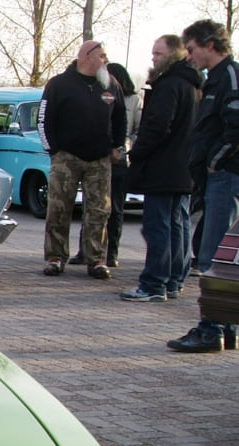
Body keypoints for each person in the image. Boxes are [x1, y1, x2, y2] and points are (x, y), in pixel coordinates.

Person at [167, 19, 239, 352]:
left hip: (226, 175)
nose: (190, 56)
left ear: (210, 44)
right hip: (218, 175)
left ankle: (211, 329)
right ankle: (226, 326)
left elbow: (235, 126)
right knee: (221, 256)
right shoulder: (215, 80)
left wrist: (216, 160)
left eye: (192, 49)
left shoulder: (230, 77)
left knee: (214, 255)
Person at [120, 34, 200, 306]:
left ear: (174, 55)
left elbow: (157, 127)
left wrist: (137, 153)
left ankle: (154, 283)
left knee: (159, 227)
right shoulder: (194, 86)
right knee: (179, 225)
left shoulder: (168, 85)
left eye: (158, 53)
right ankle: (174, 279)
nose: (153, 58)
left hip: (164, 168)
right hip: (185, 168)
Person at [38, 40, 126, 280]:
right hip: (66, 157)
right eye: (102, 55)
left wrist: (118, 146)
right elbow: (43, 119)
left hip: (100, 159)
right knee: (59, 208)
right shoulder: (59, 84)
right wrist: (53, 150)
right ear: (86, 56)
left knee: (99, 211)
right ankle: (55, 257)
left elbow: (120, 119)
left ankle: (96, 259)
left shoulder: (110, 85)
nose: (105, 60)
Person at [71, 63, 138, 266]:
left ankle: (111, 253)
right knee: (91, 206)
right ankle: (86, 250)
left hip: (118, 159)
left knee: (114, 208)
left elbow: (136, 129)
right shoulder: (97, 96)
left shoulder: (133, 100)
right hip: (97, 155)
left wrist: (123, 147)